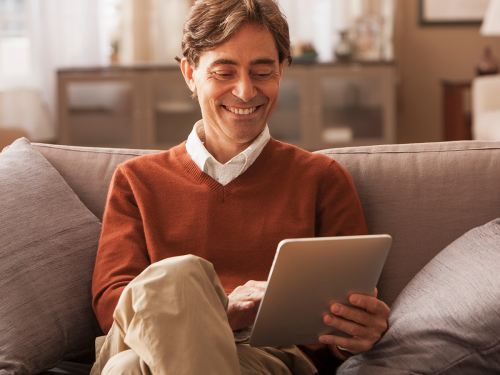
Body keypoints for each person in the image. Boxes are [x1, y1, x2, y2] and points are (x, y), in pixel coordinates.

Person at [90, 0, 391, 374]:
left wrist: (358, 334)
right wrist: (218, 311)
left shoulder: (322, 179)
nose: (246, 92)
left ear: (282, 70)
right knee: (180, 275)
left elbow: (341, 318)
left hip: (264, 356)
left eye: (262, 71)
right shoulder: (136, 180)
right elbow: (112, 303)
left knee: (127, 370)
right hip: (141, 336)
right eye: (224, 72)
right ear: (190, 73)